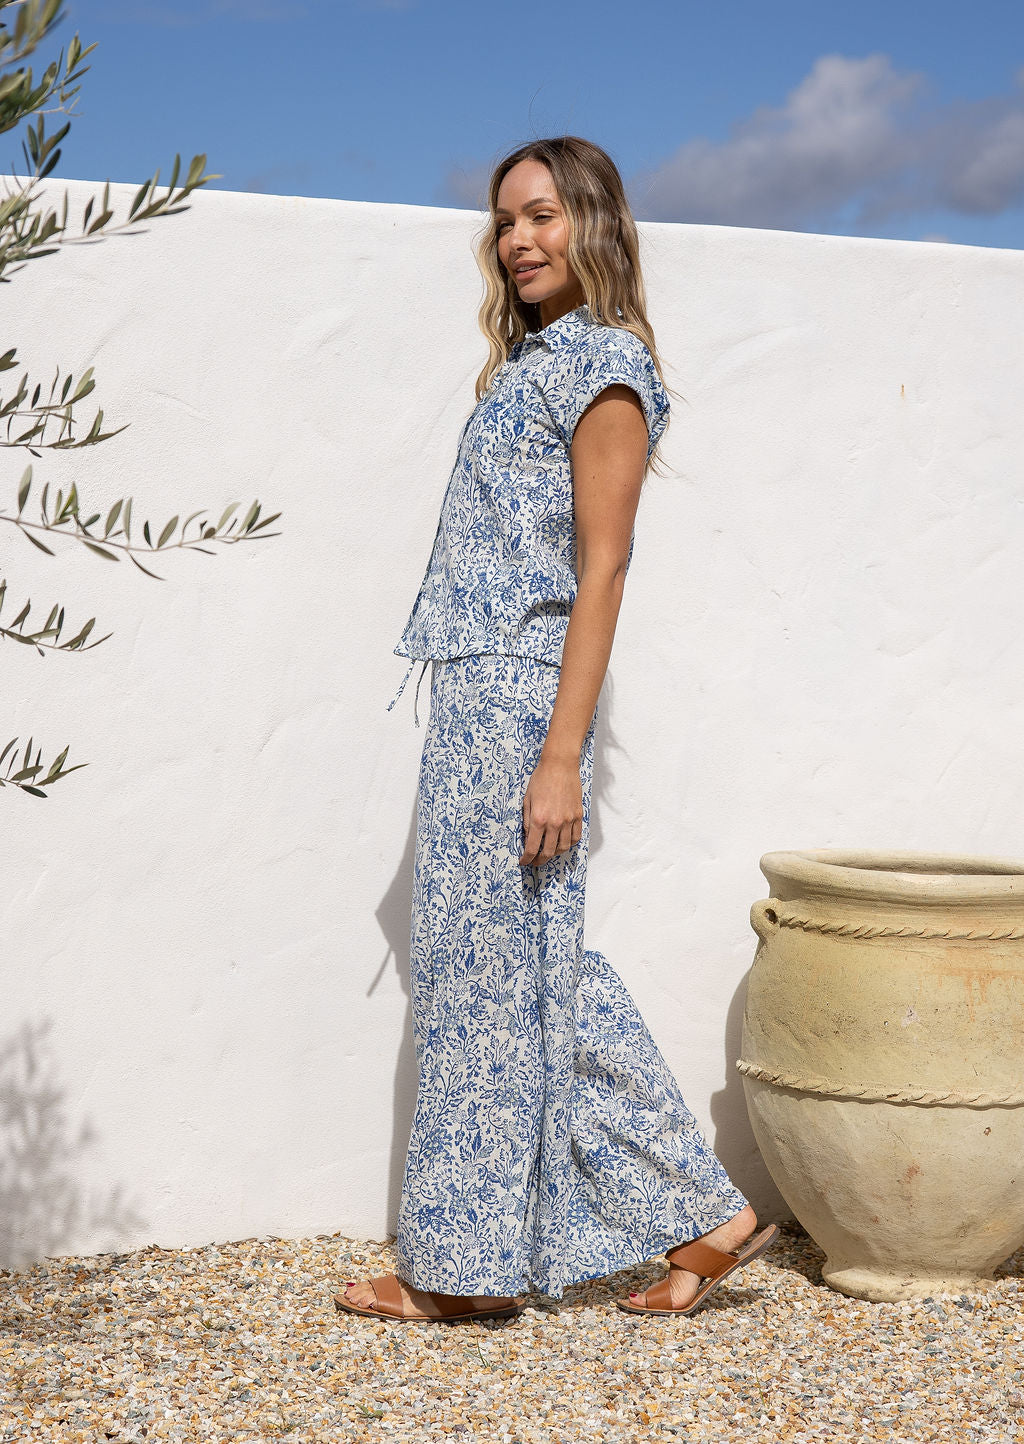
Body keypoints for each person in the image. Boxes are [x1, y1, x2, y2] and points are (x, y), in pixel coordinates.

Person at [336, 136, 776, 1323]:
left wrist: (560, 754)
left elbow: (604, 566)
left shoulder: (606, 369)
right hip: (476, 698)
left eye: (540, 215)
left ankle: (464, 1272)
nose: (518, 240)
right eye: (504, 221)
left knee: (500, 977)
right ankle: (698, 1214)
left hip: (524, 699)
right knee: (516, 973)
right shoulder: (532, 365)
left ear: (593, 223)